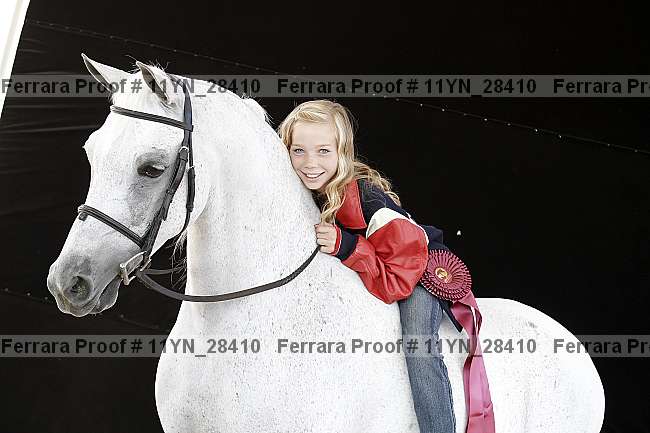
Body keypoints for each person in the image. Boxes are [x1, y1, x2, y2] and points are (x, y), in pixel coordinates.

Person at [277, 99, 467, 433]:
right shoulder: (300, 190)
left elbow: (398, 279)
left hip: (415, 270)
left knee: (419, 346)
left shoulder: (369, 200)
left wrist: (346, 246)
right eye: (299, 151)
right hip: (379, 267)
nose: (310, 163)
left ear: (342, 152)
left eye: (323, 151)